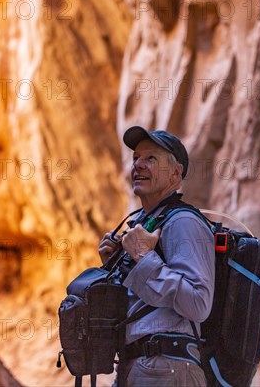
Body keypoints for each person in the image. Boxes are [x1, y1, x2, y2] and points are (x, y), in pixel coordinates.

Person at [99, 126, 215, 386]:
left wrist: (143, 257)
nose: (138, 165)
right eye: (135, 158)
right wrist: (114, 266)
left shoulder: (184, 222)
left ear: (176, 173)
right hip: (141, 365)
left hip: (168, 367)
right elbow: (142, 303)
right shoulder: (146, 223)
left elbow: (198, 303)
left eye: (150, 158)